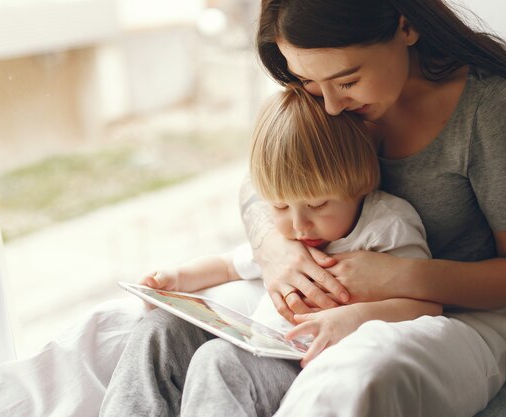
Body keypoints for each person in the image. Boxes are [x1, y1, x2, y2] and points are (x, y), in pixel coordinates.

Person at [236, 0, 506, 416]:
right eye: (305, 79)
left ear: (406, 27)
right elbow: (262, 183)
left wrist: (399, 276)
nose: (329, 105)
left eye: (348, 81)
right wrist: (273, 249)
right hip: (327, 299)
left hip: (450, 322)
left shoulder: (492, 113)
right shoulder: (324, 88)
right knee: (163, 323)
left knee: (359, 376)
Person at [99, 85, 440, 416]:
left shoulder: (386, 225)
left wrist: (355, 317)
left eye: (318, 204)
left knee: (218, 361)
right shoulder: (290, 240)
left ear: (361, 182)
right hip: (259, 341)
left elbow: (426, 303)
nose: (299, 225)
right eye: (278, 207)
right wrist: (177, 278)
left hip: (301, 362)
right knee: (157, 330)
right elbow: (229, 265)